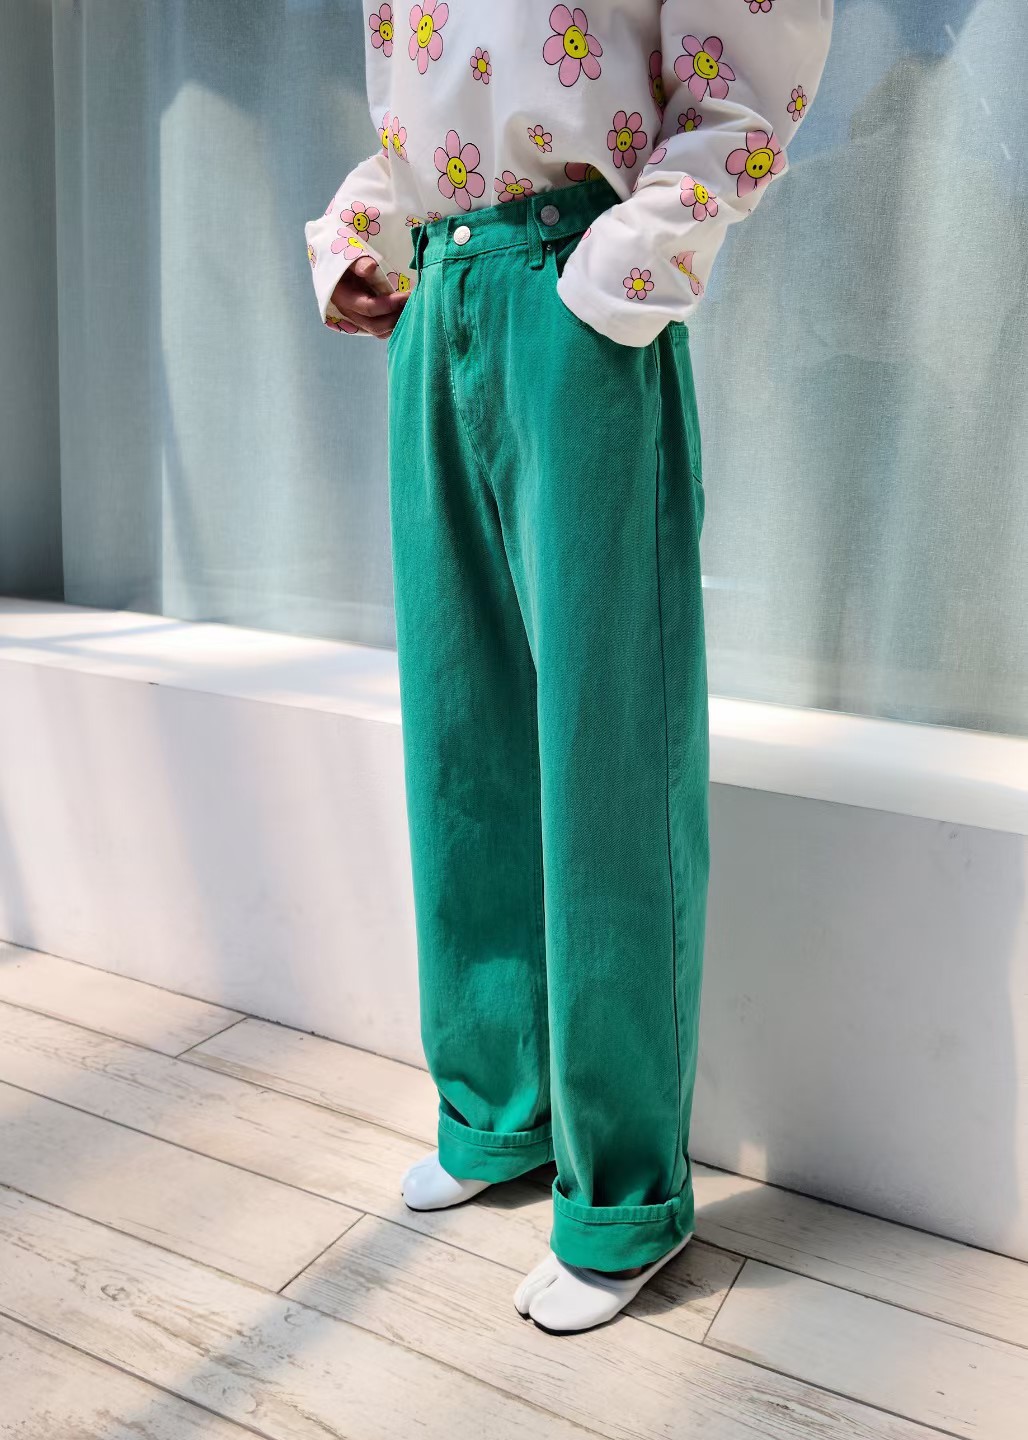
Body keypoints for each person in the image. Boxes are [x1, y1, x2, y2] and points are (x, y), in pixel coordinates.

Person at [304, 1, 834, 1334]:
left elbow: (741, 92)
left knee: (611, 754)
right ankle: (499, 1110)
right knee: (462, 739)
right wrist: (365, 234)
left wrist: (612, 274)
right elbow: (427, 109)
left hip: (575, 291)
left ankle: (625, 1195)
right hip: (441, 299)